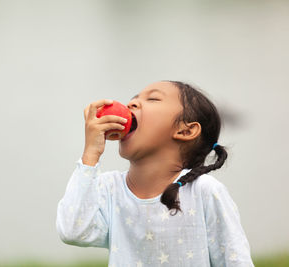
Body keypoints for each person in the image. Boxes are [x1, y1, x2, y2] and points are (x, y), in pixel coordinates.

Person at [56, 80, 254, 266]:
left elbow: (235, 260)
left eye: (152, 99)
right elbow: (74, 231)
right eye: (134, 98)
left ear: (185, 131)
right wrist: (90, 155)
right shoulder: (110, 189)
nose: (132, 102)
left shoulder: (203, 192)